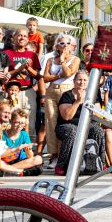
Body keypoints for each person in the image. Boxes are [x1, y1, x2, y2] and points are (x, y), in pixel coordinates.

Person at [55, 71, 104, 176]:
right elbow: (67, 117)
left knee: (98, 130)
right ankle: (61, 165)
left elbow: (98, 115)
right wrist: (77, 102)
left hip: (87, 125)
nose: (82, 82)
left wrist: (87, 103)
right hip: (67, 126)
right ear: (74, 81)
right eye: (79, 80)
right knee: (72, 131)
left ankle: (98, 162)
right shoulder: (67, 95)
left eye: (85, 80)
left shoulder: (92, 95)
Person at [41, 34, 79, 163]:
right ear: (57, 45)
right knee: (50, 122)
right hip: (52, 90)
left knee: (65, 121)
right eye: (61, 43)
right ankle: (54, 154)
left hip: (67, 90)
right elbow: (45, 78)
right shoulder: (50, 60)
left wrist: (63, 60)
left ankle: (65, 152)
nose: (64, 46)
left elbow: (68, 73)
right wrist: (58, 76)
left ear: (71, 46)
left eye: (66, 43)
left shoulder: (75, 59)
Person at [5, 28, 41, 140]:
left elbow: (38, 75)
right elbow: (4, 74)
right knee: (13, 120)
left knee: (29, 121)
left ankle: (29, 147)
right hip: (13, 91)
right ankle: (11, 145)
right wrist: (19, 69)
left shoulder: (32, 55)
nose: (22, 38)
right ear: (13, 38)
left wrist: (28, 68)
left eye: (25, 36)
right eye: (19, 35)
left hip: (28, 91)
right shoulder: (6, 53)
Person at [1, 108, 43, 174]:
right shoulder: (2, 134)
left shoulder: (24, 134)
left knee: (38, 159)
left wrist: (28, 150)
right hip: (4, 161)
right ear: (10, 121)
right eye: (17, 122)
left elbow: (30, 157)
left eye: (22, 123)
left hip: (20, 162)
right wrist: (16, 149)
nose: (20, 126)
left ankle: (6, 170)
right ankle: (19, 171)